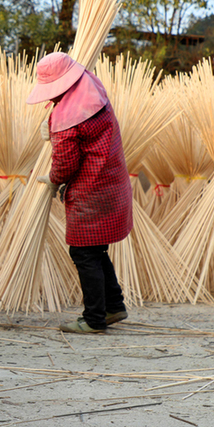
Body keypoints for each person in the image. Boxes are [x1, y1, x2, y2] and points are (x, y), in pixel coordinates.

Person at [27, 52, 133, 333]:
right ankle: (114, 306)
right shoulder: (93, 93)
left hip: (91, 191)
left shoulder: (68, 119)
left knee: (83, 252)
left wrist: (52, 180)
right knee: (96, 249)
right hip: (112, 185)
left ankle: (95, 319)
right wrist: (52, 125)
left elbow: (65, 163)